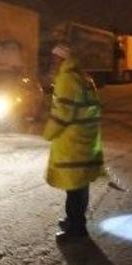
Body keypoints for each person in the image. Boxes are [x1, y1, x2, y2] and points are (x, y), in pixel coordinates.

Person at [43, 44, 104, 240]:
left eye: (54, 59)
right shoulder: (84, 77)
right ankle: (74, 221)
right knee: (79, 184)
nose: (52, 63)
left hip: (72, 142)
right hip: (86, 139)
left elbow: (63, 112)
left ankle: (76, 228)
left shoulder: (66, 78)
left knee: (74, 187)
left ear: (62, 60)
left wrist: (48, 133)